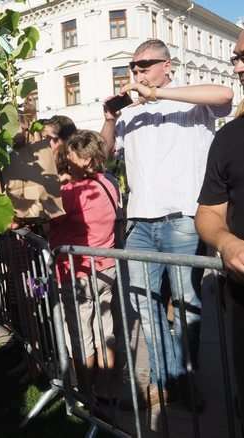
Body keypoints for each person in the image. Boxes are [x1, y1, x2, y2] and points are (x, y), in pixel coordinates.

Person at [100, 38, 233, 406]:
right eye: (134, 67)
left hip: (182, 219)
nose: (137, 72)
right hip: (139, 222)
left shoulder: (191, 103)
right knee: (146, 305)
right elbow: (102, 154)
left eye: (145, 65)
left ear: (167, 65)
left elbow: (224, 95)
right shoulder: (129, 113)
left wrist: (160, 94)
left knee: (187, 306)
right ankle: (166, 379)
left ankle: (182, 382)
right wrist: (110, 118)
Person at [49, 130, 119, 410]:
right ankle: (107, 390)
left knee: (81, 337)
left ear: (87, 160)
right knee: (106, 331)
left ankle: (87, 396)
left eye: (72, 155)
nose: (67, 160)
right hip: (107, 267)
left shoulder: (71, 193)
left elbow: (36, 212)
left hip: (77, 273)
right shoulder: (109, 183)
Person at [195, 29, 244, 419]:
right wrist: (226, 242)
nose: (238, 67)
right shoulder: (228, 139)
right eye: (236, 58)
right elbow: (209, 213)